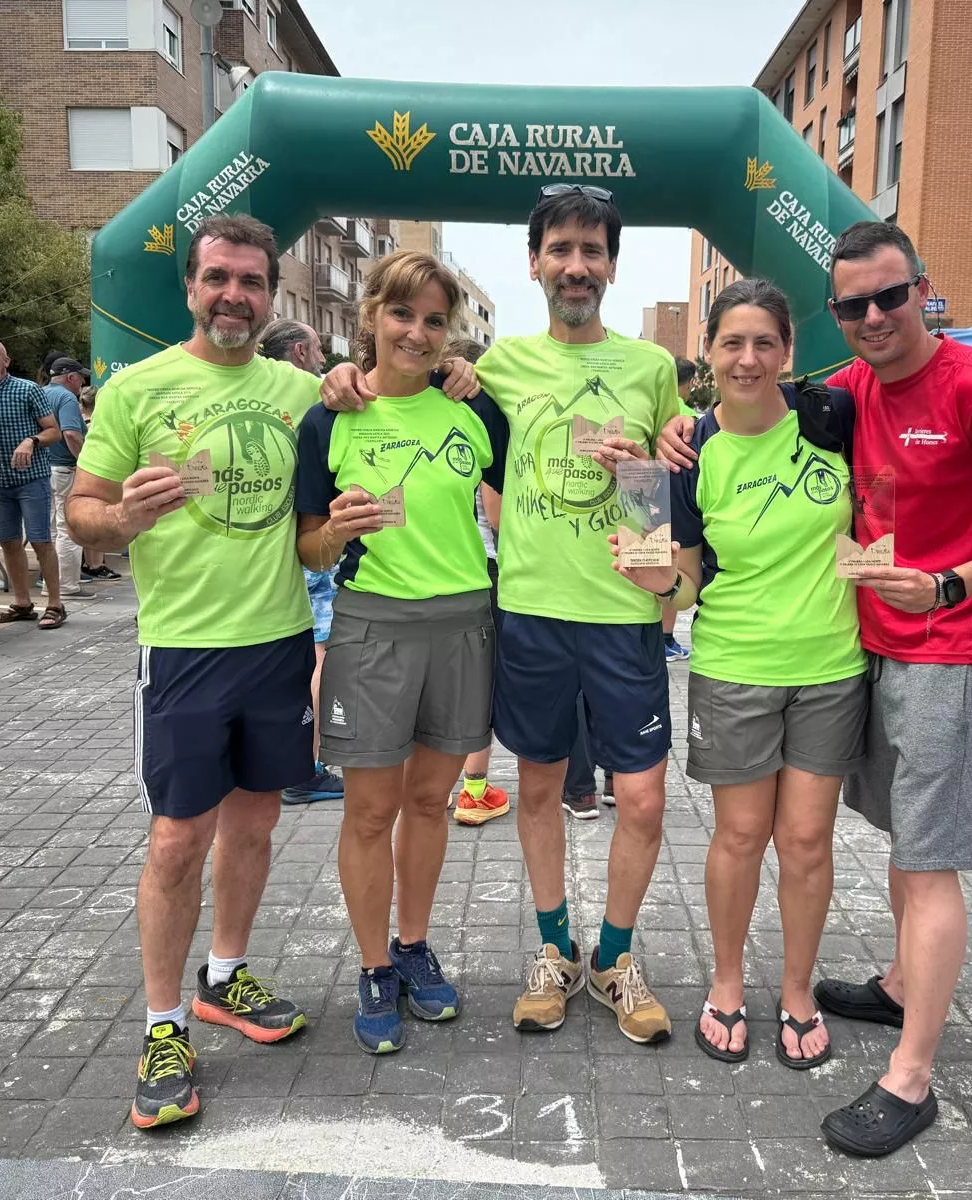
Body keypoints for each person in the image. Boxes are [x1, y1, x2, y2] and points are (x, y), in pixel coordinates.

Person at [659, 222, 972, 1153]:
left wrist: (951, 582)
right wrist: (680, 430)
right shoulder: (846, 393)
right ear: (836, 318)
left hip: (955, 648)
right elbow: (749, 410)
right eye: (853, 305)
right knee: (902, 841)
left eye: (891, 296)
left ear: (923, 291)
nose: (874, 316)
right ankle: (897, 987)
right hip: (875, 650)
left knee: (927, 859)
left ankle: (912, 1077)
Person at [321, 184, 681, 1046]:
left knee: (643, 799)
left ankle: (616, 958)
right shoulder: (496, 367)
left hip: (623, 613)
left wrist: (651, 495)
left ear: (612, 265)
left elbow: (669, 493)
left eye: (593, 251)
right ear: (535, 263)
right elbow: (394, 390)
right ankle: (555, 951)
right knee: (540, 788)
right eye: (561, 249)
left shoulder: (653, 369)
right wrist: (342, 374)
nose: (576, 266)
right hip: (526, 612)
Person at [66, 214, 316, 1130]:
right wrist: (121, 517)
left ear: (272, 292)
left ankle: (227, 975)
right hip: (183, 651)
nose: (233, 296)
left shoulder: (300, 389)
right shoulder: (138, 390)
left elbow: (381, 394)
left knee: (254, 828)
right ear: (190, 286)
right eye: (217, 278)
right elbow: (81, 512)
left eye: (250, 281)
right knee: (178, 841)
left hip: (282, 641)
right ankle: (163, 1023)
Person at [629, 279, 863, 1069]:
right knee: (739, 835)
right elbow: (690, 581)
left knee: (804, 840)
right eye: (733, 342)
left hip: (833, 667)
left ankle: (796, 991)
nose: (749, 358)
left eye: (765, 342)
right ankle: (726, 983)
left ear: (787, 353)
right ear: (711, 353)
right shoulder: (691, 452)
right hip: (733, 668)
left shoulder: (836, 421)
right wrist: (657, 583)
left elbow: (879, 522)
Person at [295, 251, 508, 1054]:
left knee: (429, 803)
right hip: (372, 629)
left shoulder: (475, 412)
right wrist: (333, 533)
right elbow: (309, 550)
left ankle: (414, 946)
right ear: (370, 318)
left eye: (432, 320)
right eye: (402, 314)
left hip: (461, 623)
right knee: (369, 809)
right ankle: (374, 963)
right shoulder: (331, 418)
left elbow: (518, 485)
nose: (416, 332)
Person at [258, 318, 345, 808]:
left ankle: (294, 762)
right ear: (296, 353)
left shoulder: (271, 394)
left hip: (270, 550)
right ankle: (305, 768)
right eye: (315, 349)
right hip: (311, 542)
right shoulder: (315, 397)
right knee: (318, 657)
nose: (321, 359)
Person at [444, 335, 514, 828]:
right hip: (481, 569)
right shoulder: (477, 426)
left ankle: (445, 784)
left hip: (443, 572)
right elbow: (496, 516)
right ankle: (472, 789)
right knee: (475, 685)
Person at [0, 338, 66, 629]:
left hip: (31, 479)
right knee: (8, 542)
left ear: (5, 361)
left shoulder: (28, 389)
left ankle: (55, 604)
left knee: (40, 540)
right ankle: (22, 603)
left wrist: (30, 441)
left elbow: (53, 432)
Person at [661, 355, 699, 664]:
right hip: (679, 506)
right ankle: (666, 639)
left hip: (647, 507)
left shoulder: (657, 404)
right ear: (688, 383)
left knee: (666, 577)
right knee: (676, 575)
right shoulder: (685, 415)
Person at [41, 357, 90, 598]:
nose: (82, 382)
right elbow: (71, 433)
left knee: (48, 530)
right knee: (68, 528)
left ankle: (49, 585)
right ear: (70, 377)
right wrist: (85, 462)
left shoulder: (38, 393)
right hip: (64, 469)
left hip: (40, 469)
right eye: (81, 377)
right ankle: (67, 586)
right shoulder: (67, 398)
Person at [74, 386, 120, 582]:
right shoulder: (96, 423)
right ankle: (96, 564)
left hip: (80, 474)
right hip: (95, 475)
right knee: (96, 518)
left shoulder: (81, 419)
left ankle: (92, 562)